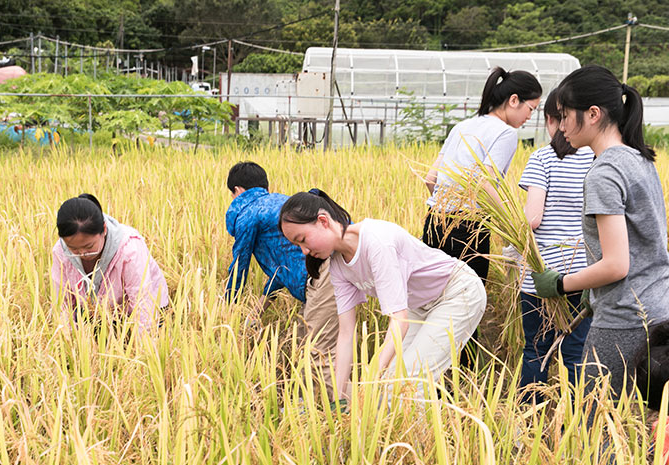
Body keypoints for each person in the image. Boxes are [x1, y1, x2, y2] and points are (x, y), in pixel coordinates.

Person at [533, 65, 669, 407]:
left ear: (593, 114)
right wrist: (592, 293)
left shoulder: (604, 173)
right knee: (644, 423)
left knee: (597, 425)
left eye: (565, 116)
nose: (561, 126)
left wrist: (563, 283)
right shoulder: (641, 159)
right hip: (659, 310)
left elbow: (616, 264)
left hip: (623, 318)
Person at [279, 189, 487, 402]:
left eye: (303, 239)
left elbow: (400, 321)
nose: (303, 251)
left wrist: (371, 377)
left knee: (410, 381)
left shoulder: (377, 242)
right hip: (420, 306)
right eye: (298, 245)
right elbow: (345, 333)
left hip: (457, 292)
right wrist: (339, 395)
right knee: (391, 383)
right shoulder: (338, 266)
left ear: (323, 221)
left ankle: (422, 435)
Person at [422, 66, 542, 366]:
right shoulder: (505, 133)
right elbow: (485, 182)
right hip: (469, 228)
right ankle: (464, 371)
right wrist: (510, 221)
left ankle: (430, 365)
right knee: (468, 299)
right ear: (513, 100)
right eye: (531, 108)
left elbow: (430, 178)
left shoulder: (462, 126)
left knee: (437, 298)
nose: (530, 117)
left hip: (434, 221)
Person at [225, 162, 341, 400]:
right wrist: (261, 305)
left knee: (317, 352)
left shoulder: (247, 214)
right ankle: (301, 404)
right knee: (301, 343)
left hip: (322, 279)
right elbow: (285, 264)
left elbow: (239, 267)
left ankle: (343, 411)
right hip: (326, 274)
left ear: (237, 190)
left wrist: (228, 310)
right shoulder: (282, 205)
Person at [512, 89, 595, 404]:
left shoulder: (542, 158)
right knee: (576, 349)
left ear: (550, 120)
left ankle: (529, 420)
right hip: (583, 274)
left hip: (541, 274)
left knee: (535, 348)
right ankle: (578, 422)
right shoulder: (595, 158)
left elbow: (532, 218)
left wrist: (511, 226)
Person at [51, 193, 169, 332]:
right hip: (97, 312)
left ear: (104, 230)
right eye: (74, 249)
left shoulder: (129, 249)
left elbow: (143, 304)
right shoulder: (61, 251)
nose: (82, 254)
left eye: (89, 247)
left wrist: (143, 349)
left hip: (143, 311)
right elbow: (62, 304)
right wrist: (67, 341)